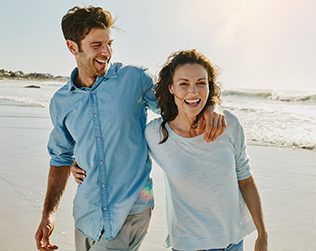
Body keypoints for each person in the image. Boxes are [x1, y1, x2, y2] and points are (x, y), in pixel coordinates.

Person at [35, 6, 226, 251]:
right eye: (96, 45)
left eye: (109, 43)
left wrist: (211, 105)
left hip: (130, 210)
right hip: (86, 215)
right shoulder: (61, 102)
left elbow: (179, 104)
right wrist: (48, 215)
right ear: (73, 47)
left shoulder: (135, 79)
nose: (107, 52)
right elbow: (60, 157)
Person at [144, 49, 268, 251]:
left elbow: (245, 180)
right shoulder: (155, 134)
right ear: (171, 88)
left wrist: (262, 235)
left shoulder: (229, 125)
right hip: (188, 245)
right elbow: (123, 153)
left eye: (201, 83)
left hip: (232, 243)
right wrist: (82, 158)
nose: (193, 92)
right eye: (183, 84)